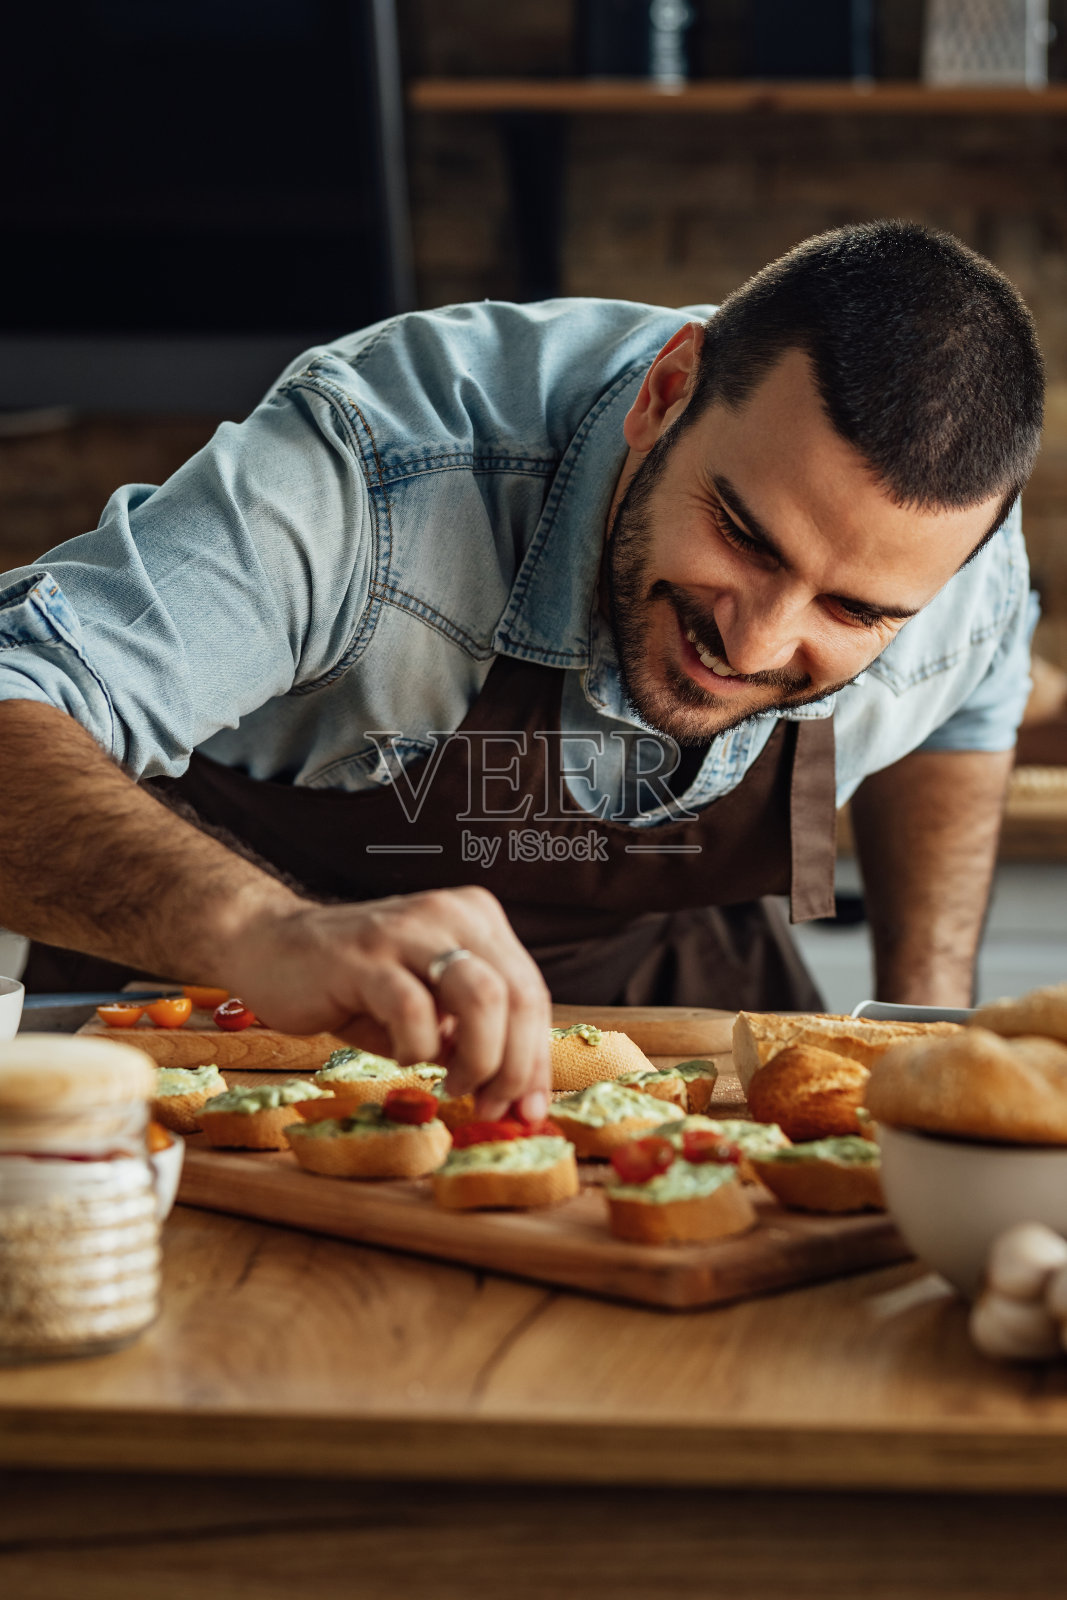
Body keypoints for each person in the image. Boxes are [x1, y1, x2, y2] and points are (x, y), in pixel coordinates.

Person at [0, 221, 1044, 1118]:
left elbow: (970, 704)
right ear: (666, 393)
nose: (758, 643)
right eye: (743, 538)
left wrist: (932, 1037)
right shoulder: (379, 470)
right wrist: (264, 933)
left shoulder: (958, 570)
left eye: (849, 610)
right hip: (220, 1025)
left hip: (662, 1024)